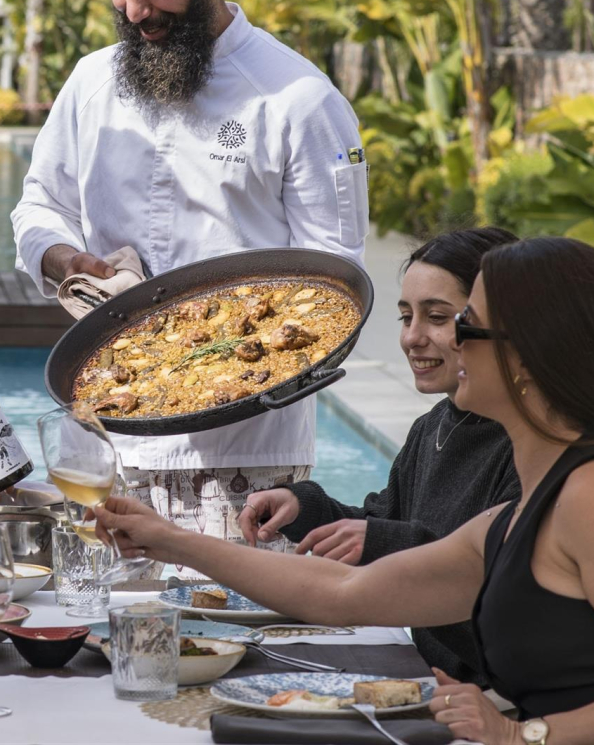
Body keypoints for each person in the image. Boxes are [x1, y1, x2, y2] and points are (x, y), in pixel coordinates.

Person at [97, 236, 594, 745]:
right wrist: (168, 540)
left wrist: (523, 734)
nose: (441, 341)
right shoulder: (516, 516)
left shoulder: (584, 497)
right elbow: (340, 593)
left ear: (528, 353)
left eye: (462, 324)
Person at [10, 0, 368, 562]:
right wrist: (60, 257)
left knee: (225, 622)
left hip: (243, 453)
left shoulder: (298, 98)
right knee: (104, 615)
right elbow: (38, 205)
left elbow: (336, 279)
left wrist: (237, 358)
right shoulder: (90, 82)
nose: (135, 9)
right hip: (106, 434)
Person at [239, 227, 520, 686]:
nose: (412, 338)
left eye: (437, 317)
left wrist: (383, 541)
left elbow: (504, 604)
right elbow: (382, 524)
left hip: (495, 701)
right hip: (428, 681)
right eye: (406, 317)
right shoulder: (433, 426)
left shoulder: (532, 444)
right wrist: (303, 507)